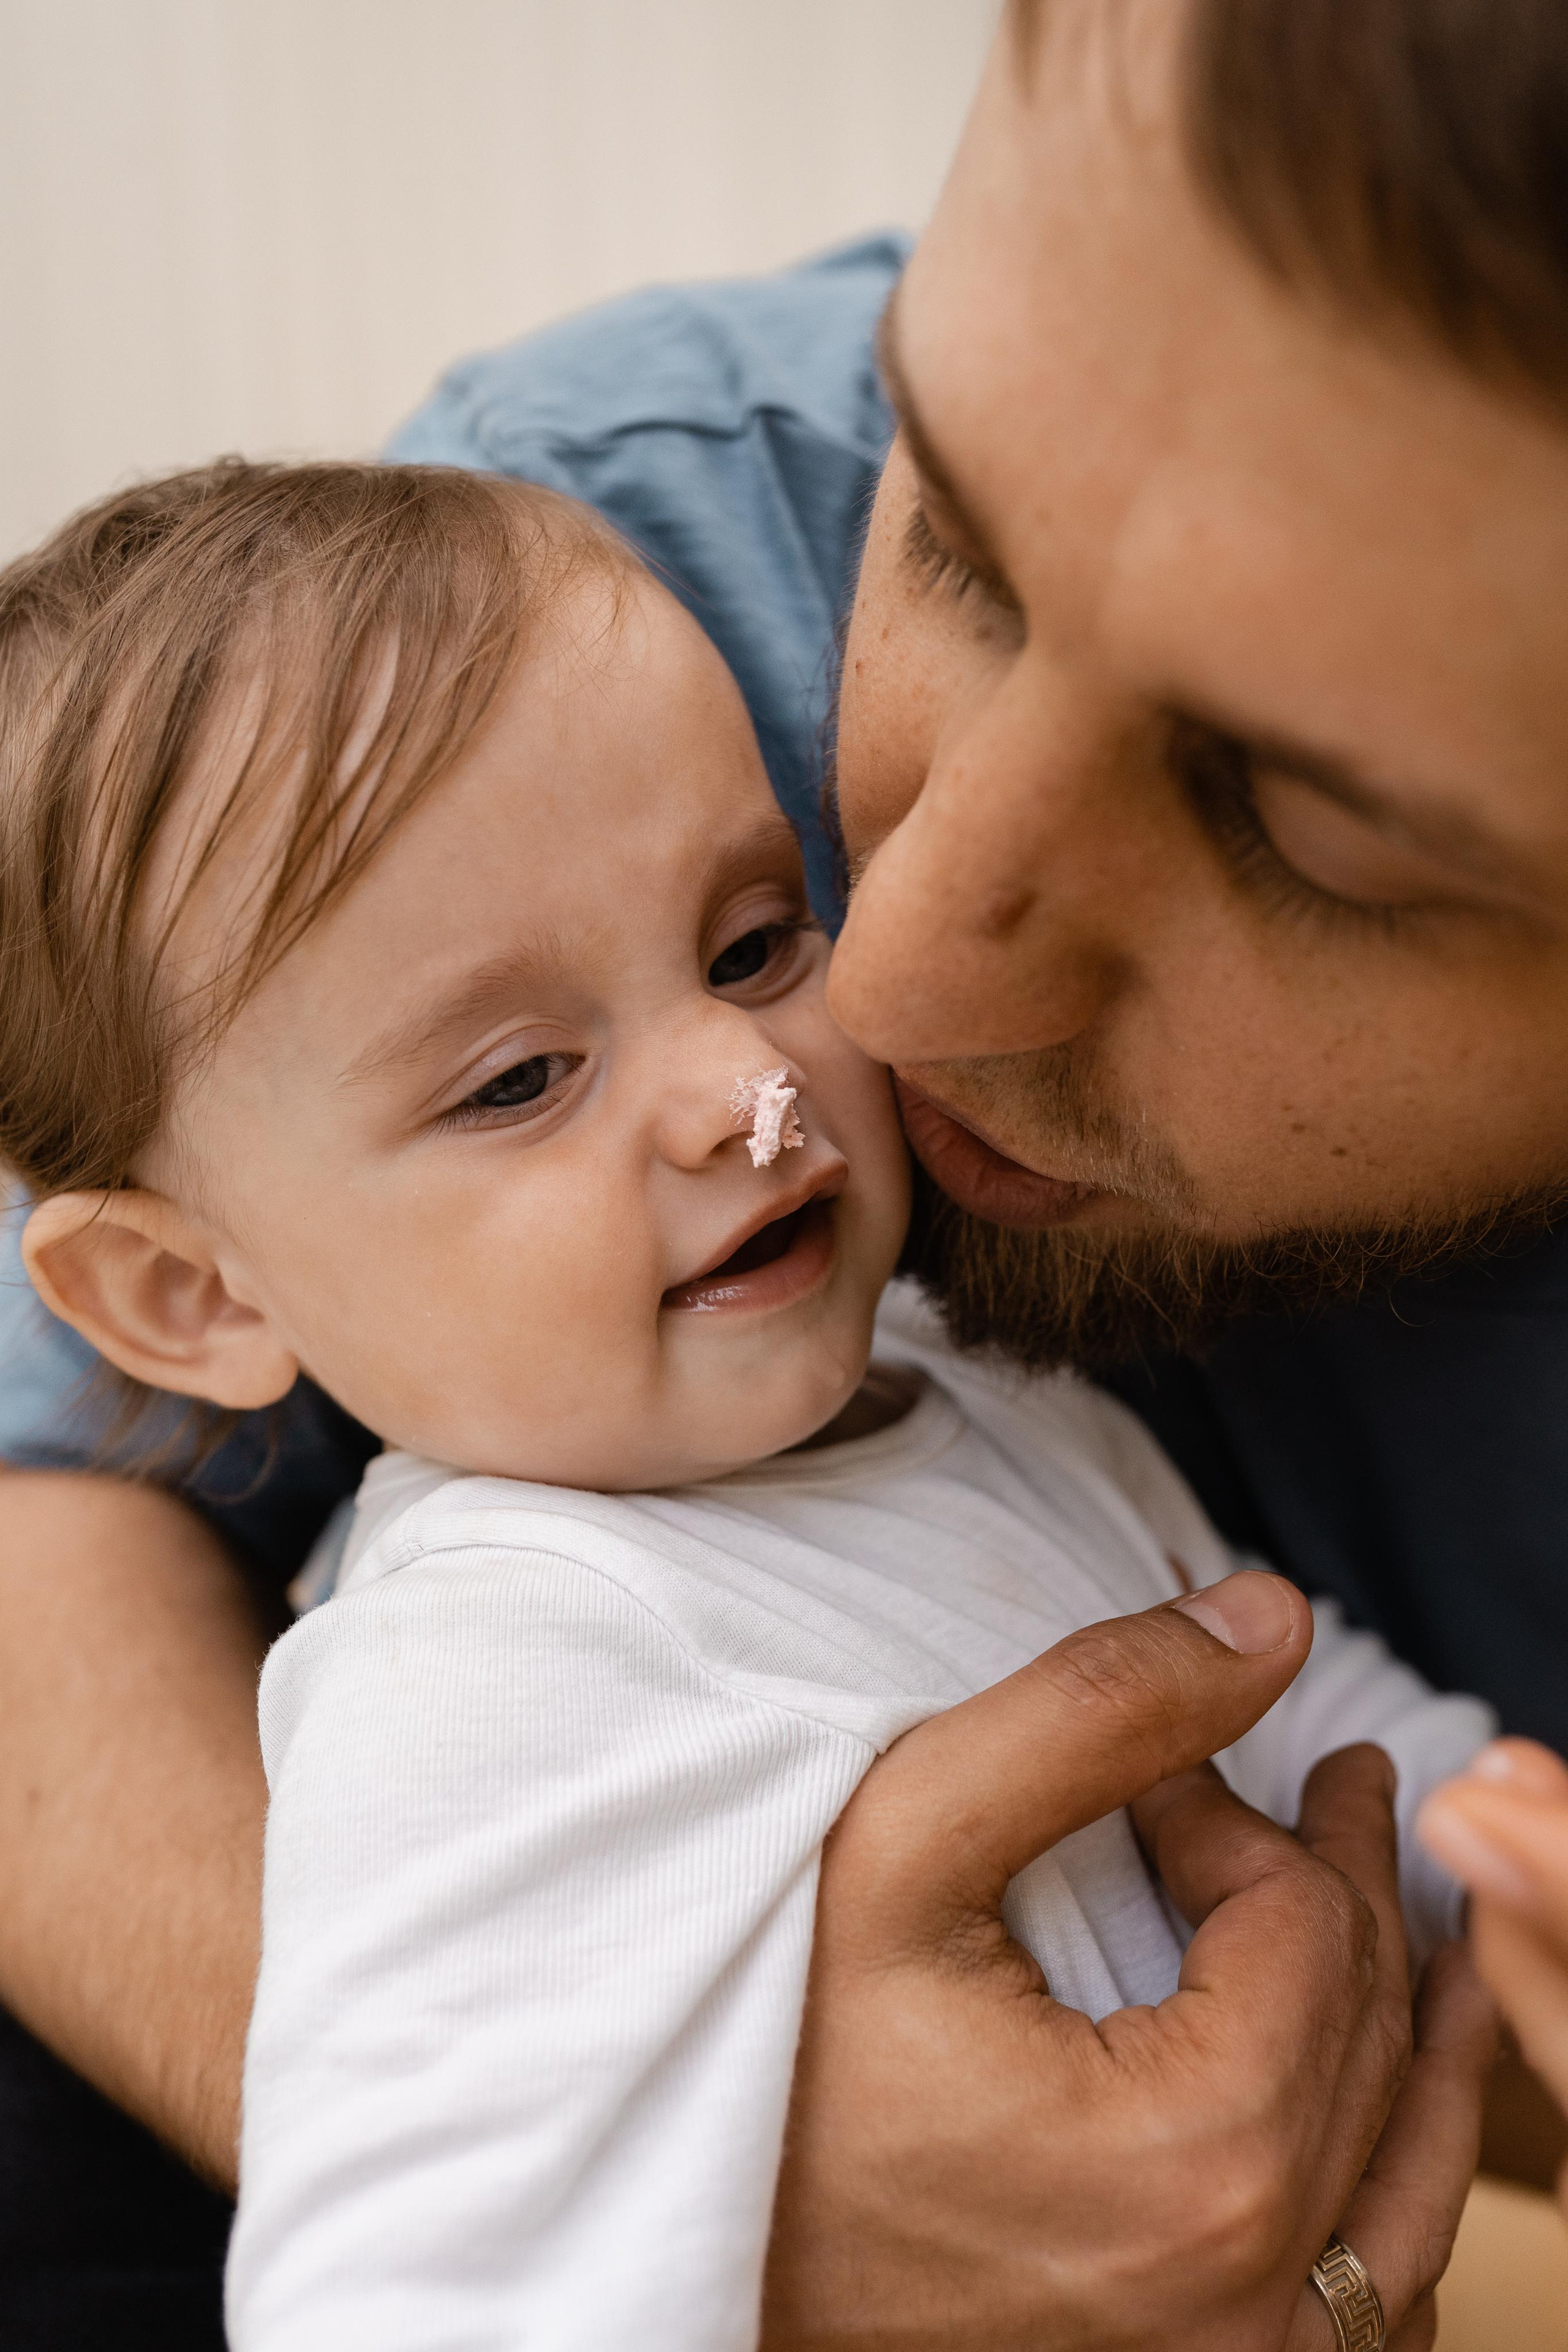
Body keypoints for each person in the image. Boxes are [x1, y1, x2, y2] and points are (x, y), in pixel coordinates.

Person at [0, 0, 1564, 2342]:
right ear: (193, 1296)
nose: (856, 1005)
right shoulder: (493, 1674)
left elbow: (1309, 1713)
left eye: (754, 943)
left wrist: (1488, 1855)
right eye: (963, 551)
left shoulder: (969, 1412)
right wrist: (732, 2209)